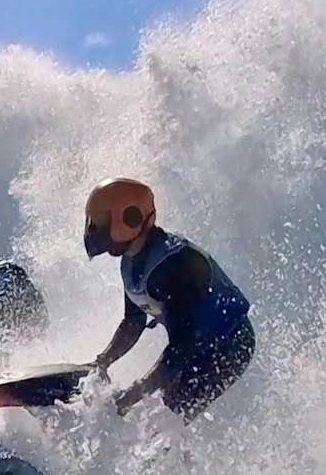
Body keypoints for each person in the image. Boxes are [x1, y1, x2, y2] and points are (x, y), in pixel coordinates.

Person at [83, 177, 254, 422]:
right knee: (154, 408)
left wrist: (137, 391)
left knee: (166, 411)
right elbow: (133, 322)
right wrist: (101, 363)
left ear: (130, 219)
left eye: (101, 223)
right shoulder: (132, 261)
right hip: (196, 343)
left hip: (231, 344)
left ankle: (172, 457)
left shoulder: (172, 266)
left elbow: (181, 344)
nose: (95, 231)